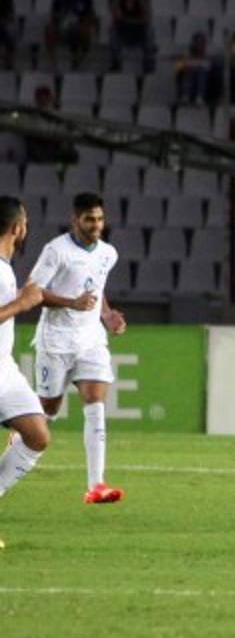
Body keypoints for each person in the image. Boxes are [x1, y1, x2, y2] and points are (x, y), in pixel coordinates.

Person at [26, 193, 127, 504]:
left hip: (90, 339)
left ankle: (96, 485)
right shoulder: (56, 251)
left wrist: (106, 315)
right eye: (89, 219)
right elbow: (33, 291)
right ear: (75, 220)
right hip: (56, 339)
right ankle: (22, 435)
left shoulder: (108, 253)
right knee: (48, 410)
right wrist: (71, 303)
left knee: (95, 403)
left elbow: (97, 287)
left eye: (100, 219)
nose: (96, 225)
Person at [0, 197, 51, 550]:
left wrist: (19, 297)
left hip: (4, 368)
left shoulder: (5, 268)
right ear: (17, 228)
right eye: (26, 223)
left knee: (36, 434)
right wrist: (22, 302)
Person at [45, 0, 98, 69]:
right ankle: (53, 62)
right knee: (49, 30)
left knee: (86, 31)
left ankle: (80, 60)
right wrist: (59, 20)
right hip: (63, 27)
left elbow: (90, 16)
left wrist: (83, 24)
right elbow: (54, 15)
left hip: (79, 27)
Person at [110, 0, 155, 72]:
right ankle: (116, 61)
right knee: (112, 30)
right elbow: (117, 18)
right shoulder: (118, 0)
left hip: (139, 34)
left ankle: (148, 63)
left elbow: (147, 19)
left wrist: (127, 20)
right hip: (124, 34)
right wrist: (137, 20)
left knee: (149, 30)